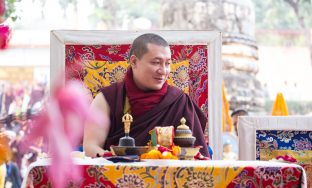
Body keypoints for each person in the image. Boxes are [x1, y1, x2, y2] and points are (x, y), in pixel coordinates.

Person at [83, 33, 209, 157]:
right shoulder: (108, 98)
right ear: (134, 62)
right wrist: (122, 163)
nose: (163, 71)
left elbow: (194, 154)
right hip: (118, 174)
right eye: (156, 62)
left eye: (168, 63)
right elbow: (91, 146)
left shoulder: (179, 101)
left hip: (169, 175)